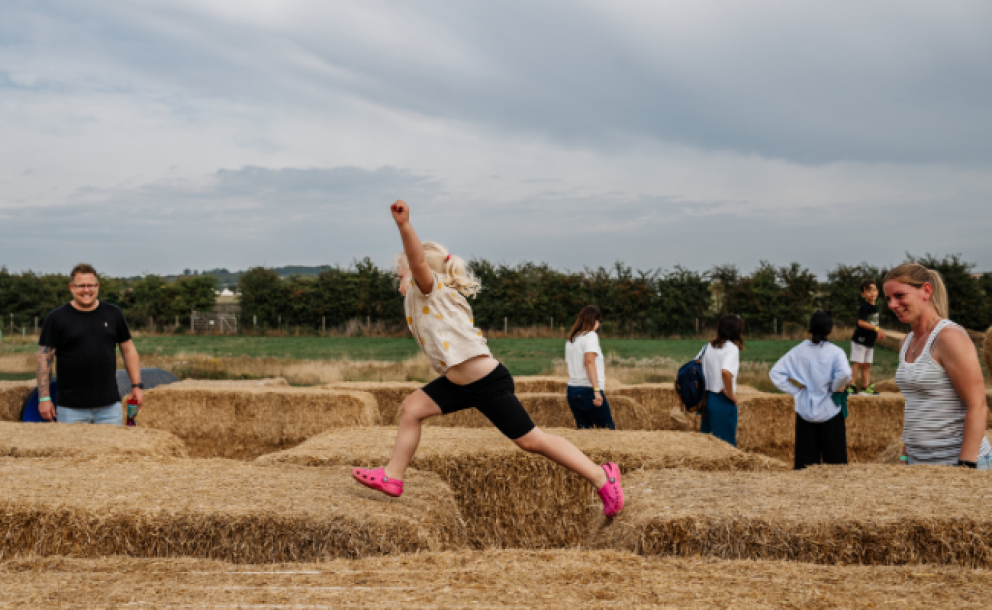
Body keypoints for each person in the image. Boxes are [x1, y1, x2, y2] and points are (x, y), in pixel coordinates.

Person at [351, 200, 624, 517]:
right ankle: (393, 476)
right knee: (412, 407)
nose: (399, 283)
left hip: (486, 382)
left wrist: (404, 227)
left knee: (532, 441)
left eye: (400, 275)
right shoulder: (430, 297)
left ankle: (603, 477)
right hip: (459, 382)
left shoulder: (430, 289)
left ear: (416, 270)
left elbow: (417, 261)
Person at [884, 263, 991, 469]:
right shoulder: (905, 342)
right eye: (888, 298)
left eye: (899, 296)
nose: (892, 305)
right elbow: (916, 406)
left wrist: (965, 467)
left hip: (956, 463)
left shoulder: (949, 338)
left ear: (926, 291)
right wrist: (905, 458)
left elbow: (977, 405)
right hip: (919, 464)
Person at [36, 263, 144, 424]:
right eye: (81, 286)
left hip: (110, 408)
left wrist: (137, 385)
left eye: (90, 285)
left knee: (111, 450)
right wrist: (44, 397)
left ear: (97, 286)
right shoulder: (56, 318)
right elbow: (44, 359)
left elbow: (128, 350)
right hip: (70, 409)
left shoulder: (114, 313)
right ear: (71, 287)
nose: (86, 290)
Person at [769, 310, 852, 470]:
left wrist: (796, 392)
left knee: (805, 466)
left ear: (810, 328)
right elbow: (846, 373)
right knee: (835, 467)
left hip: (805, 410)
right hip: (831, 411)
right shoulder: (836, 352)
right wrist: (834, 387)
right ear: (830, 330)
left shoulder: (799, 350)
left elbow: (775, 373)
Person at [564, 306, 615, 430]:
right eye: (598, 320)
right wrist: (596, 391)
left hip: (572, 391)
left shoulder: (571, 339)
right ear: (593, 320)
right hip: (588, 391)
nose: (599, 323)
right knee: (608, 431)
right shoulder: (591, 336)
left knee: (585, 434)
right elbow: (589, 362)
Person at [696, 314, 743, 446]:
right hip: (722, 401)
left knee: (707, 446)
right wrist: (730, 394)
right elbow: (725, 372)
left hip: (706, 400)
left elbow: (696, 364)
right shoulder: (732, 349)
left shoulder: (708, 346)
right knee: (726, 446)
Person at [848, 279, 887, 395]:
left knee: (867, 365)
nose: (872, 293)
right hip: (860, 340)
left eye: (874, 290)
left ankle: (866, 387)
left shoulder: (874, 307)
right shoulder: (865, 307)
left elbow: (872, 323)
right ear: (863, 294)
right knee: (858, 363)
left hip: (869, 341)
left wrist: (876, 334)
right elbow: (860, 322)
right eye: (868, 291)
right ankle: (851, 386)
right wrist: (876, 329)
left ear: (878, 292)